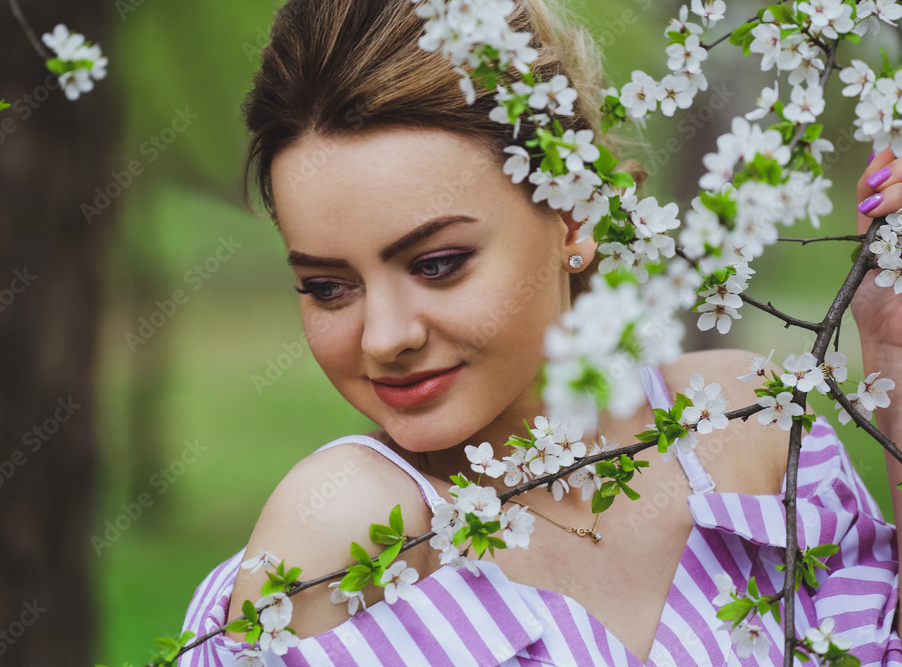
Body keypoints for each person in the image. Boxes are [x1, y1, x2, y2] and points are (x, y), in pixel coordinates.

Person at [178, 0, 902, 664]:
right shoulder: (353, 532)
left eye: (436, 263)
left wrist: (893, 346)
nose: (383, 338)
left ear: (575, 216)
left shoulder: (750, 431)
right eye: (328, 287)